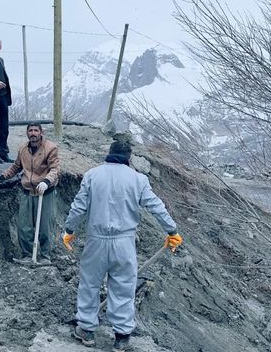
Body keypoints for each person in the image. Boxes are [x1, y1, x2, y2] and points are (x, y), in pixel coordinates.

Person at [63, 140, 183, 351]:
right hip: (124, 242)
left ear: (109, 153)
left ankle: (87, 330)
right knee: (123, 288)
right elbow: (156, 206)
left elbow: (78, 207)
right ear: (129, 158)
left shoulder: (93, 175)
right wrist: (172, 230)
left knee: (90, 284)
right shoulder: (138, 179)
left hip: (96, 241)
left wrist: (69, 230)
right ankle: (121, 337)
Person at [0, 123, 60, 259]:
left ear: (41, 132)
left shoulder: (50, 148)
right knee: (24, 227)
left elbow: (55, 169)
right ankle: (27, 255)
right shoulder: (23, 149)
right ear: (27, 133)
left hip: (45, 192)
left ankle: (45, 256)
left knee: (45, 227)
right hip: (27, 191)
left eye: (36, 131)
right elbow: (16, 167)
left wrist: (46, 181)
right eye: (30, 131)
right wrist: (0, 178)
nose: (33, 133)